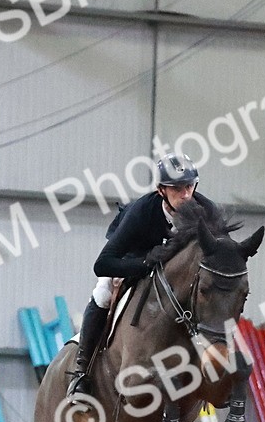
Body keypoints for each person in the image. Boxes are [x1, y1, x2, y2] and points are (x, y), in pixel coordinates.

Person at [66, 153, 218, 397]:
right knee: (103, 293)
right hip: (135, 256)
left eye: (189, 186)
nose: (186, 194)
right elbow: (103, 264)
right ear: (161, 191)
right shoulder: (141, 213)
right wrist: (145, 263)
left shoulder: (207, 210)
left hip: (178, 275)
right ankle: (81, 372)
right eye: (177, 188)